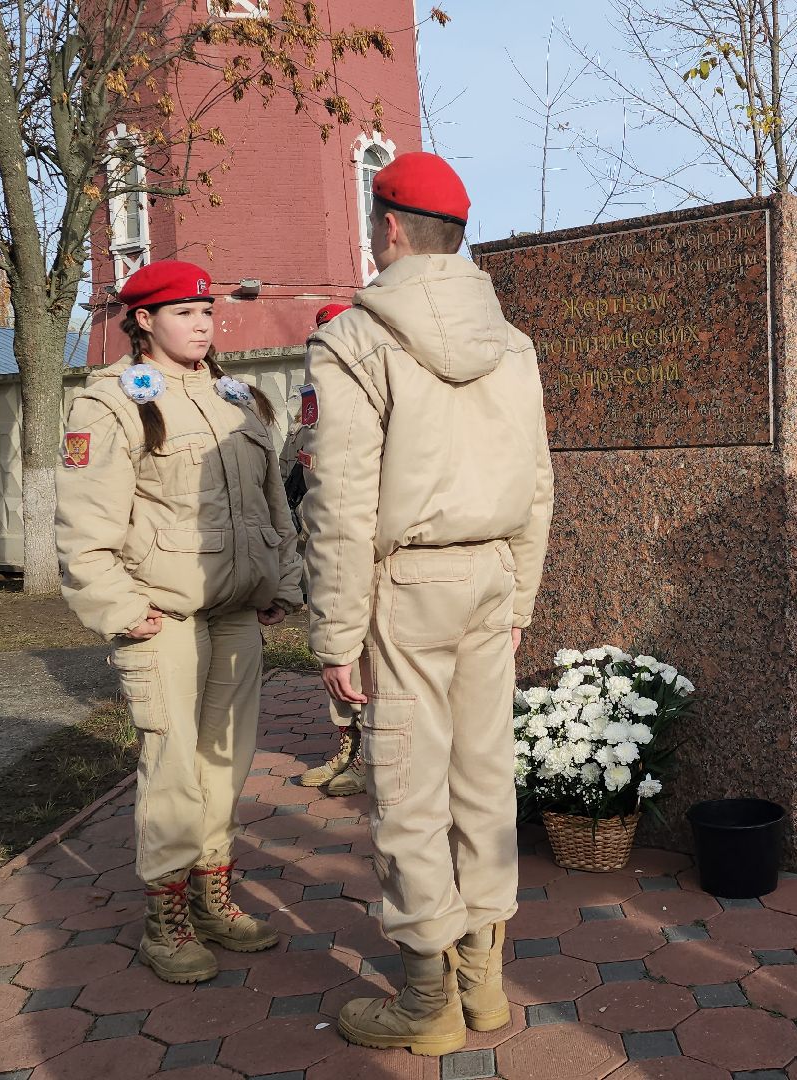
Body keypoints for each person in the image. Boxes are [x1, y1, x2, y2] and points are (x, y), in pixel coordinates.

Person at [303, 151, 553, 1056]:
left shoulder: (356, 341)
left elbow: (342, 503)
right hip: (489, 573)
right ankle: (485, 985)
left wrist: (334, 632)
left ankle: (427, 1001)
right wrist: (520, 588)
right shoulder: (513, 343)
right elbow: (537, 484)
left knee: (407, 789)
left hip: (406, 583)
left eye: (376, 225)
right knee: (484, 778)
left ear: (393, 230)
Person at [56, 260, 305, 985]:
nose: (202, 323)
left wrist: (282, 580)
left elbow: (274, 509)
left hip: (236, 614)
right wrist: (124, 610)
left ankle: (212, 896)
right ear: (142, 320)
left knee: (224, 764)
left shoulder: (241, 399)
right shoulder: (111, 404)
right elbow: (82, 527)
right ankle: (164, 918)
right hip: (162, 616)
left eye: (207, 311)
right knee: (170, 767)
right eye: (183, 313)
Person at [285, 303, 367, 799]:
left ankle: (367, 755)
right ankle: (348, 743)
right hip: (324, 550)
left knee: (364, 663)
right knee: (338, 659)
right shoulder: (311, 412)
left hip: (358, 549)